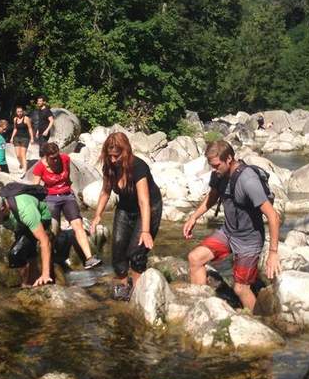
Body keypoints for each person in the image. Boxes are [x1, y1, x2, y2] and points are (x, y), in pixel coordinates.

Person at [183, 140, 281, 311]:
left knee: (240, 288)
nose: (213, 170)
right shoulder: (218, 175)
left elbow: (273, 216)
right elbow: (212, 197)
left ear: (229, 159)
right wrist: (194, 217)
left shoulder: (248, 181)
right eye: (211, 166)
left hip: (249, 240)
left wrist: (273, 253)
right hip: (228, 233)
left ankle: (258, 325)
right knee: (195, 258)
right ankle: (200, 308)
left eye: (216, 165)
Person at [90, 132, 162, 300]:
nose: (114, 160)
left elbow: (144, 201)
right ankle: (123, 287)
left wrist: (145, 231)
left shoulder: (138, 166)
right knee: (118, 246)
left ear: (126, 151)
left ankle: (137, 292)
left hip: (149, 207)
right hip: (125, 207)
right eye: (110, 156)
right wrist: (97, 215)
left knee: (136, 251)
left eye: (117, 156)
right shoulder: (109, 167)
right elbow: (105, 191)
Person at [32, 142, 103, 270]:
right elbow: (35, 188)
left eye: (57, 156)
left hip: (67, 196)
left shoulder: (65, 159)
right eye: (53, 158)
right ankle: (50, 259)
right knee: (54, 229)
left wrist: (69, 189)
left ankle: (89, 258)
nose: (56, 160)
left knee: (78, 225)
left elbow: (68, 177)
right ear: (46, 157)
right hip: (51, 198)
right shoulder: (39, 167)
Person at [11, 106, 35, 172]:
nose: (20, 113)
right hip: (16, 138)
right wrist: (11, 138)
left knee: (23, 155)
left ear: (23, 112)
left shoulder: (26, 118)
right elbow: (15, 129)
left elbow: (30, 128)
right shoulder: (15, 119)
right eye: (18, 112)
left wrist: (32, 138)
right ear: (16, 112)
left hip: (25, 138)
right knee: (18, 155)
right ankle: (22, 164)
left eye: (21, 111)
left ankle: (25, 170)